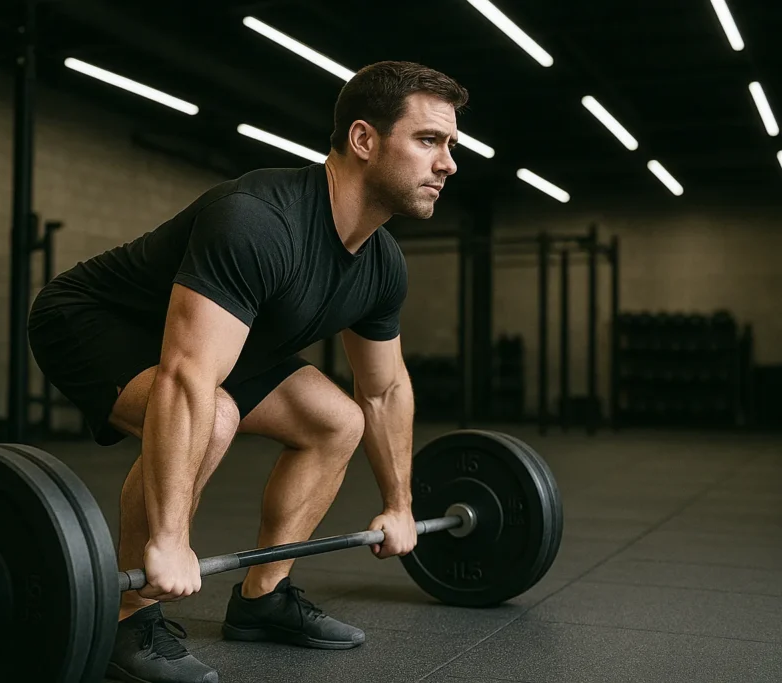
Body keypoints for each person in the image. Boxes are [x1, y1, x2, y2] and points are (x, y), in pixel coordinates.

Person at [28, 60, 466, 683]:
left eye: (450, 145)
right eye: (429, 141)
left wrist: (399, 504)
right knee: (214, 416)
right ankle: (126, 618)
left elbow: (384, 388)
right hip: (92, 322)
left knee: (336, 421)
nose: (448, 163)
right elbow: (186, 379)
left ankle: (263, 599)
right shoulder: (260, 219)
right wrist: (170, 539)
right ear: (364, 140)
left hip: (222, 345)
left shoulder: (381, 264)